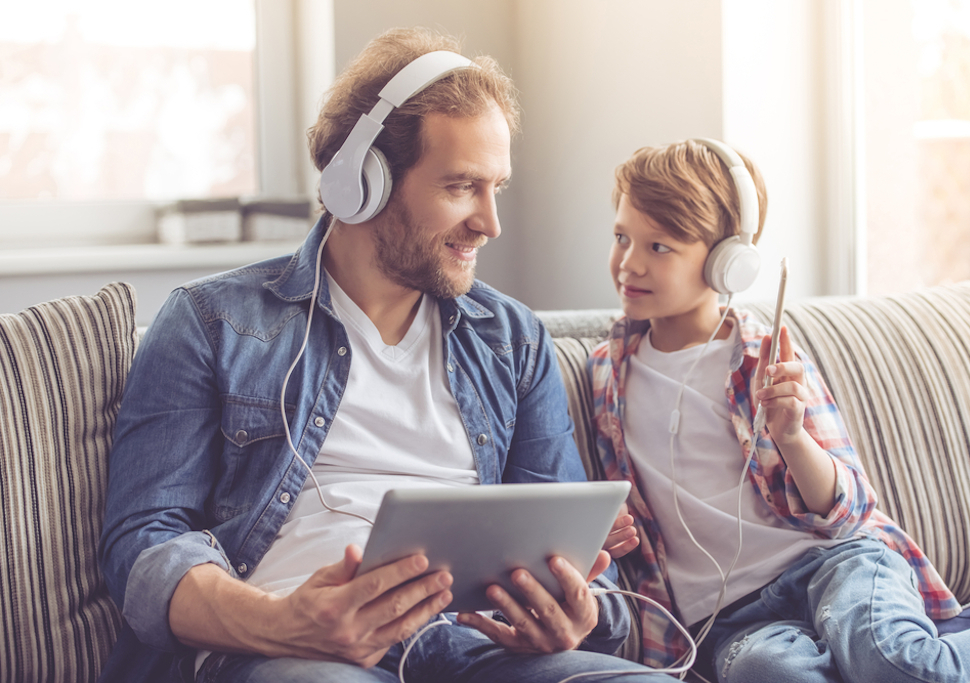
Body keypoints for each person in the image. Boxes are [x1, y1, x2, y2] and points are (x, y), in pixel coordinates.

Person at [98, 27, 677, 683]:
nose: (490, 223)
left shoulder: (512, 340)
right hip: (288, 654)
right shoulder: (212, 323)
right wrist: (281, 620)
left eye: (497, 189)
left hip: (473, 649)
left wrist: (573, 612)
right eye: (461, 186)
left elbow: (578, 563)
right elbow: (143, 544)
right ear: (361, 182)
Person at [589, 139, 970, 682]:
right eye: (622, 237)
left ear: (729, 261)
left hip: (834, 566)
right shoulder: (608, 373)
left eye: (659, 247)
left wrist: (793, 437)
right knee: (770, 674)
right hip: (728, 619)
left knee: (898, 665)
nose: (629, 263)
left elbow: (851, 510)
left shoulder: (764, 356)